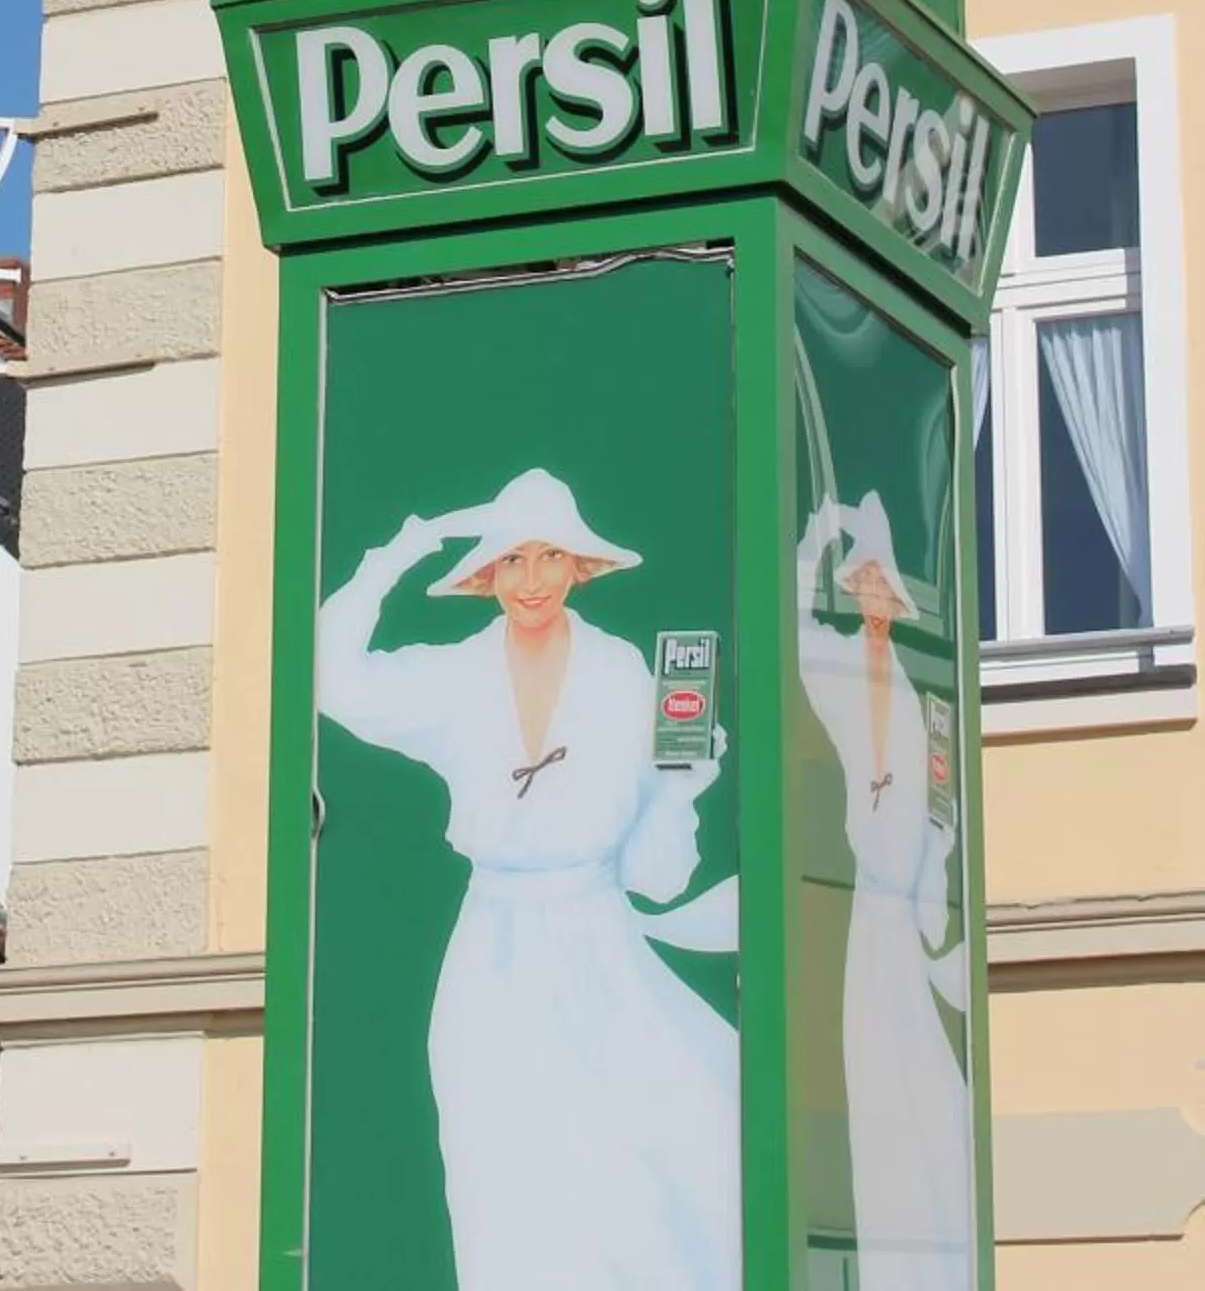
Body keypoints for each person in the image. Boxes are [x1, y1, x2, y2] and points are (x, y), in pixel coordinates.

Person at [318, 465, 739, 1291]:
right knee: (501, 1182)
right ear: (486, 576)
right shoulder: (451, 678)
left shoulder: (628, 682)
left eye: (551, 557)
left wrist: (685, 786)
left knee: (660, 1162)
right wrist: (388, 559)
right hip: (493, 954)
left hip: (601, 950)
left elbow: (659, 877)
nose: (534, 580)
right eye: (514, 561)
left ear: (580, 566)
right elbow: (331, 677)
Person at [797, 492, 971, 1289]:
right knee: (872, 1078)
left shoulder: (918, 680)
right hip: (862, 902)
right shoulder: (837, 665)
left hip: (904, 912)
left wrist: (937, 887)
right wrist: (811, 543)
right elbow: (793, 638)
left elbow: (942, 801)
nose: (870, 591)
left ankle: (932, 1237)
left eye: (879, 579)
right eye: (859, 578)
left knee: (923, 1077)